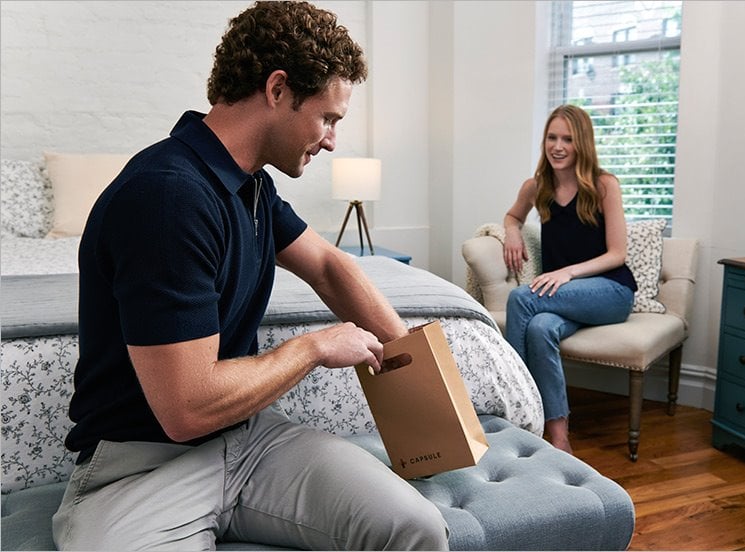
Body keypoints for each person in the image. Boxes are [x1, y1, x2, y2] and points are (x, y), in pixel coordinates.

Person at [52, 2, 449, 550]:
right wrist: (311, 348)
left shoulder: (251, 185)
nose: (332, 139)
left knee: (418, 529)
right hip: (140, 469)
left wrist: (417, 372)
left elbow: (331, 265)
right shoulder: (167, 197)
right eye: (328, 118)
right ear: (278, 89)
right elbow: (186, 410)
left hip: (251, 440)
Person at [502, 104, 637, 454]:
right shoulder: (536, 187)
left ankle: (514, 410)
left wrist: (567, 272)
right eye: (552, 137)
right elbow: (512, 216)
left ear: (582, 144)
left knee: (521, 298)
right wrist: (512, 231)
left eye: (567, 139)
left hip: (611, 292)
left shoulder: (604, 185)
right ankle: (559, 436)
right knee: (540, 328)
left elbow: (617, 254)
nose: (557, 146)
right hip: (565, 298)